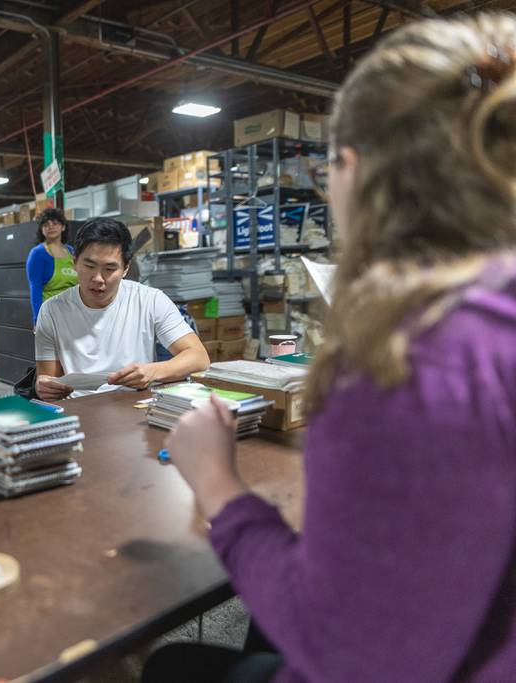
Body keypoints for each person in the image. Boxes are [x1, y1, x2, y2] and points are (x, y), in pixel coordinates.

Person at [144, 13, 516, 683]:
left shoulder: (414, 359)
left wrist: (218, 483)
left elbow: (350, 656)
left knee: (175, 664)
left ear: (350, 168)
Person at [34, 217, 210, 399]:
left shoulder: (150, 300)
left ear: (125, 268)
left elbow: (199, 358)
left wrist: (153, 371)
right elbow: (48, 380)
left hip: (135, 406)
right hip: (79, 408)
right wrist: (46, 387)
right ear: (75, 261)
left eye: (110, 269)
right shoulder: (52, 311)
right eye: (89, 265)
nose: (98, 278)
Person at [26, 207, 78, 324]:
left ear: (63, 227)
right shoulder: (38, 253)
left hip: (74, 313)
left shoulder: (72, 251)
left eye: (55, 223)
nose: (50, 227)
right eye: (46, 224)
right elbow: (35, 289)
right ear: (41, 229)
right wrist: (38, 320)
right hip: (51, 315)